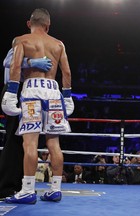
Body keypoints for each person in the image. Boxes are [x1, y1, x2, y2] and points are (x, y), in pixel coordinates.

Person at [2, 8, 74, 204]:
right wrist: (67, 97)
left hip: (32, 91)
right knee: (54, 144)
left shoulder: (21, 40)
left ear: (29, 23)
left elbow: (15, 67)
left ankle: (27, 191)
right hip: (53, 92)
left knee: (30, 143)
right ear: (48, 25)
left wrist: (10, 94)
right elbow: (66, 73)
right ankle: (56, 189)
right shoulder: (59, 44)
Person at [0, 49, 51, 199]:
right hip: (14, 89)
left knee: (28, 141)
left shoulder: (42, 47)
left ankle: (23, 186)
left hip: (32, 91)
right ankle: (6, 187)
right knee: (14, 139)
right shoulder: (22, 42)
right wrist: (31, 62)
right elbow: (8, 62)